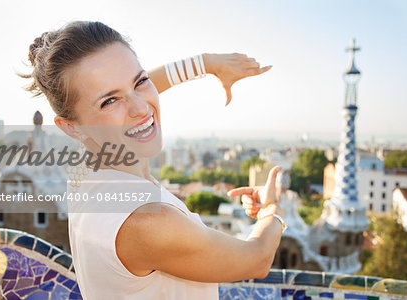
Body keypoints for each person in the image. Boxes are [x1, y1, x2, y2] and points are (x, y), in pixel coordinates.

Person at [21, 20, 285, 300]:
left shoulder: (87, 166)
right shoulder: (146, 221)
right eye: (109, 101)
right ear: (70, 126)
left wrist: (205, 64)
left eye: (140, 81)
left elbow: (128, 96)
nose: (141, 108)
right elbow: (257, 259)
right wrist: (273, 211)